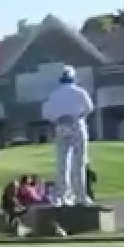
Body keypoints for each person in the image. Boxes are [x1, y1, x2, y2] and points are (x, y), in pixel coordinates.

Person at [41, 65, 95, 206]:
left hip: (61, 126)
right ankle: (80, 196)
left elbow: (46, 113)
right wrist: (79, 115)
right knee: (79, 162)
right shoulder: (80, 92)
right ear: (74, 78)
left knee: (62, 163)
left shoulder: (54, 95)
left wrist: (57, 119)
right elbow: (89, 108)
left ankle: (62, 196)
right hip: (77, 125)